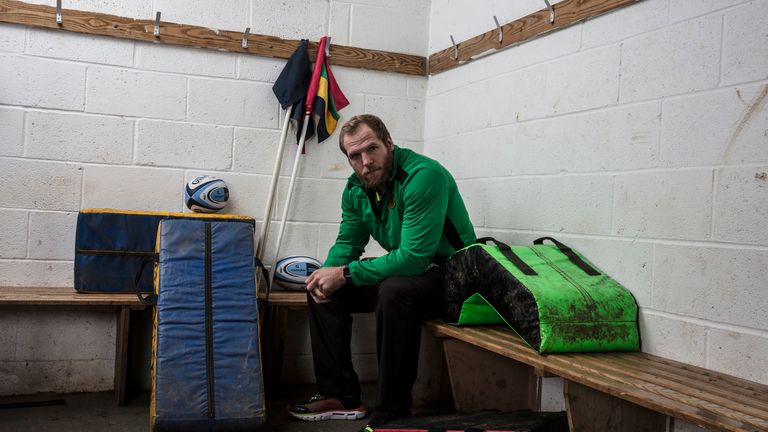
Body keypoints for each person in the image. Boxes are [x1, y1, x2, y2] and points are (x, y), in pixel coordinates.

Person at [287, 114, 476, 431]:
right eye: (355, 155)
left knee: (394, 290)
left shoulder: (423, 176)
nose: (366, 161)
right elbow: (348, 243)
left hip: (457, 277)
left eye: (372, 149)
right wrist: (327, 275)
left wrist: (345, 273)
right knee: (323, 287)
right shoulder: (356, 189)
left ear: (389, 143)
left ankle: (394, 412)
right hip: (416, 277)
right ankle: (341, 396)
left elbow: (414, 259)